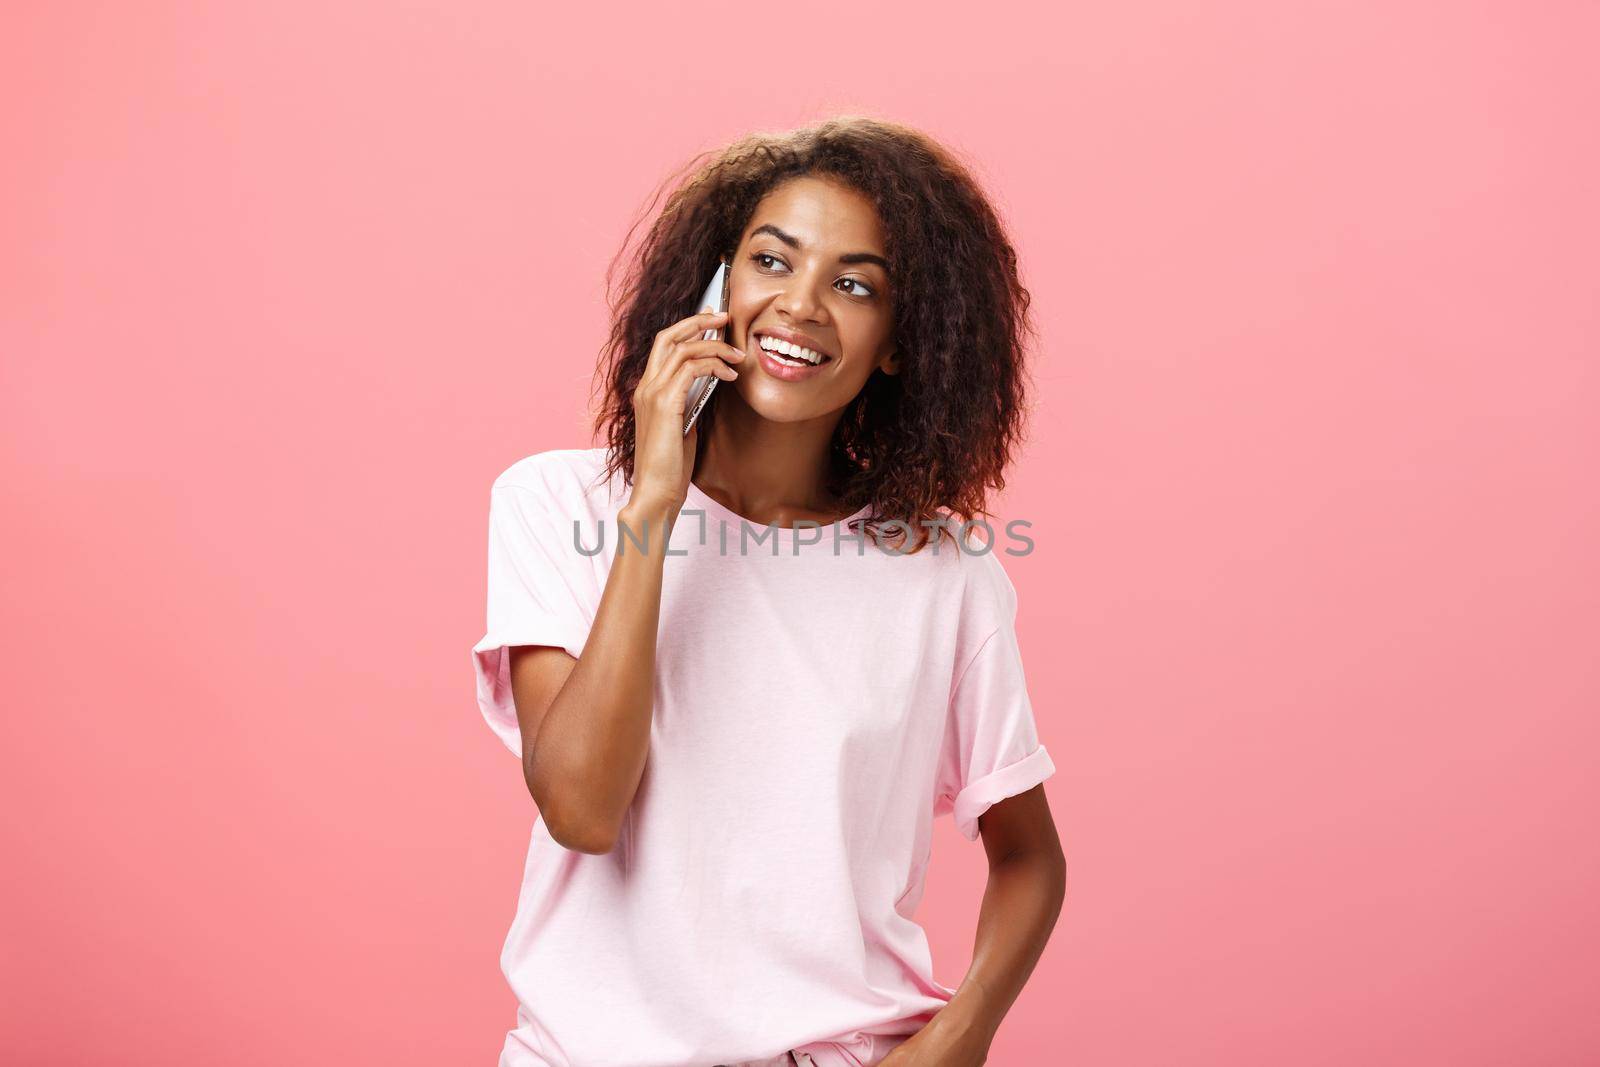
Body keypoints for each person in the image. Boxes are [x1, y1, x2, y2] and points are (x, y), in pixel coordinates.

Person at [472, 116, 1066, 1067]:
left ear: (902, 343)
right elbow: (582, 808)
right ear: (715, 287)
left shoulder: (945, 573)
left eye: (854, 284)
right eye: (772, 263)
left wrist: (962, 1034)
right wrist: (655, 503)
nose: (802, 306)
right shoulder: (555, 503)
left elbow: (1031, 856)